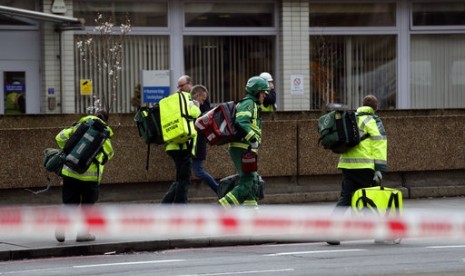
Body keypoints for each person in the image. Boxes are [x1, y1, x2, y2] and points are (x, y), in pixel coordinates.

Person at [327, 95, 387, 245]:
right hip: (365, 166)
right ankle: (378, 233)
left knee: (345, 199)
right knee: (372, 199)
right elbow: (379, 144)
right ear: (376, 108)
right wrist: (379, 169)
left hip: (347, 166)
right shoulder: (373, 120)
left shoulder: (352, 118)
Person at [54, 109, 114, 242]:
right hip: (90, 178)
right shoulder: (104, 135)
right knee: (87, 207)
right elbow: (109, 155)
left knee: (69, 203)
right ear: (106, 120)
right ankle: (82, 234)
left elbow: (59, 138)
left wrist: (73, 146)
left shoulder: (79, 127)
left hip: (70, 172)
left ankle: (61, 226)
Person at [218, 76, 270, 208]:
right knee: (247, 181)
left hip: (246, 147)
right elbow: (241, 122)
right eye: (263, 92)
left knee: (252, 181)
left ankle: (252, 212)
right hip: (243, 147)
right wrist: (252, 138)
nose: (264, 95)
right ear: (255, 91)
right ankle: (222, 207)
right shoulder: (249, 104)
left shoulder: (253, 104)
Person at [161, 75, 201, 204]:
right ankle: (180, 207)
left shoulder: (173, 100)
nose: (179, 89)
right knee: (184, 179)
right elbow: (194, 114)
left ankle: (166, 205)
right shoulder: (186, 98)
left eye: (181, 86)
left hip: (173, 145)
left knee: (180, 179)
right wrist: (196, 106)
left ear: (189, 83)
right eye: (178, 86)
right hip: (183, 145)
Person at [190, 84, 219, 194]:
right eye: (203, 98)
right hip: (194, 144)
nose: (205, 101)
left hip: (197, 144)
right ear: (197, 96)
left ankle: (219, 188)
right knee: (185, 174)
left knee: (198, 172)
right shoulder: (192, 106)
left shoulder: (200, 107)